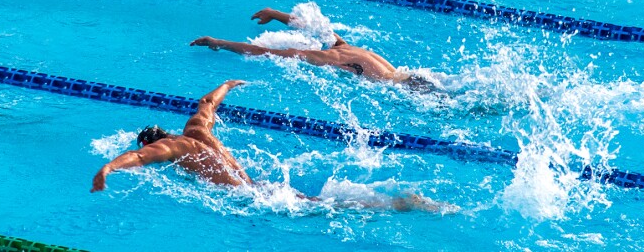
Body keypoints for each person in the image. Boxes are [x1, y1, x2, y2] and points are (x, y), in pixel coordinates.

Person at [91, 80, 442, 211]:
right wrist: (228, 84)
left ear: (157, 143)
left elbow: (139, 156)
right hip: (255, 185)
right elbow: (206, 103)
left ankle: (400, 204)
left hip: (250, 198)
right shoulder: (195, 130)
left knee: (329, 207)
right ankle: (396, 202)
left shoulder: (172, 149)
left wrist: (108, 167)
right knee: (318, 201)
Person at [190, 7, 436, 91]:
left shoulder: (322, 56)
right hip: (412, 77)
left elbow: (262, 52)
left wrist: (219, 42)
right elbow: (316, 27)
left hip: (402, 90)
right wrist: (276, 14)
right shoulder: (344, 45)